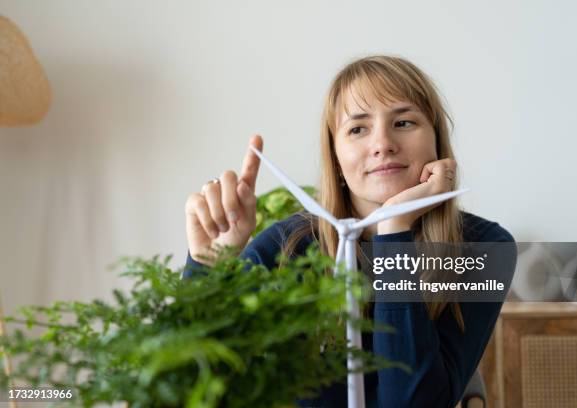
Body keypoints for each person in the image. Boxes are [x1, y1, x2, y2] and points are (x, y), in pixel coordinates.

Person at [183, 55, 516, 407]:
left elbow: (412, 402)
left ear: (437, 141)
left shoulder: (485, 248)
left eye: (403, 122)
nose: (383, 143)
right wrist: (207, 267)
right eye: (358, 128)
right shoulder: (285, 247)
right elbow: (195, 385)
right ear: (336, 159)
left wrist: (393, 231)